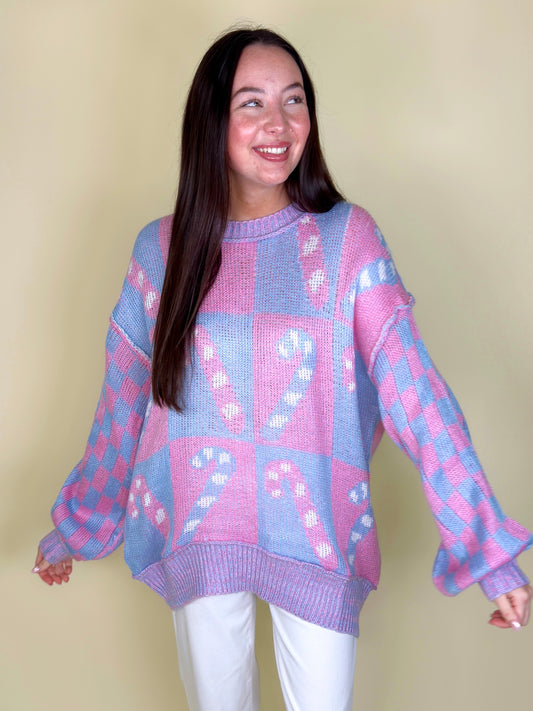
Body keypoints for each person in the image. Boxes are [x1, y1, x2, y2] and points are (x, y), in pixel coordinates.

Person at [33, 27, 532, 711]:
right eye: (252, 103)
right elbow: (123, 405)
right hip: (201, 533)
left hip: (315, 536)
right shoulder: (161, 250)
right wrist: (79, 525)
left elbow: (416, 395)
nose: (279, 123)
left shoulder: (347, 240)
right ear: (211, 120)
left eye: (294, 100)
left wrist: (488, 552)